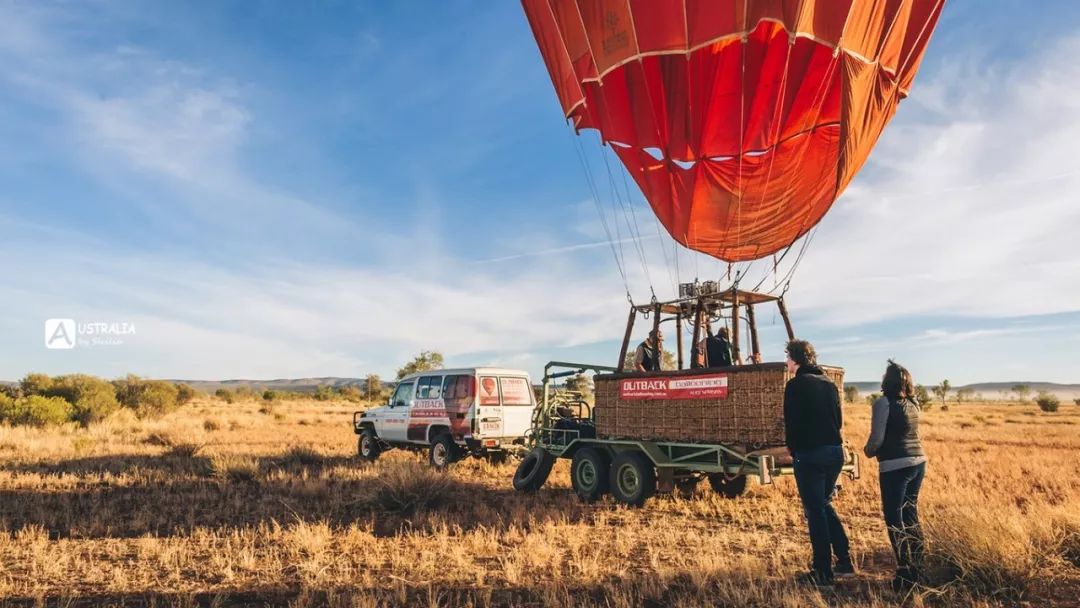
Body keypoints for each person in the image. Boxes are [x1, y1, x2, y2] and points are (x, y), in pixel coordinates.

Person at [783, 339, 853, 587]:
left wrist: (793, 448)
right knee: (823, 504)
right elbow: (839, 419)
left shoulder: (795, 386)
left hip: (810, 454)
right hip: (835, 452)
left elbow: (790, 422)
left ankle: (822, 572)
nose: (787, 362)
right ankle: (844, 560)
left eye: (788, 357)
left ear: (795, 359)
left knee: (814, 512)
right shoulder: (829, 384)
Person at [864, 360, 928, 592]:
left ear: (886, 381)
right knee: (911, 514)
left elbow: (876, 440)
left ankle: (904, 572)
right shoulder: (914, 403)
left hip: (895, 466)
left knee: (894, 519)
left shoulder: (883, 403)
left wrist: (868, 451)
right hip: (919, 462)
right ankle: (919, 567)